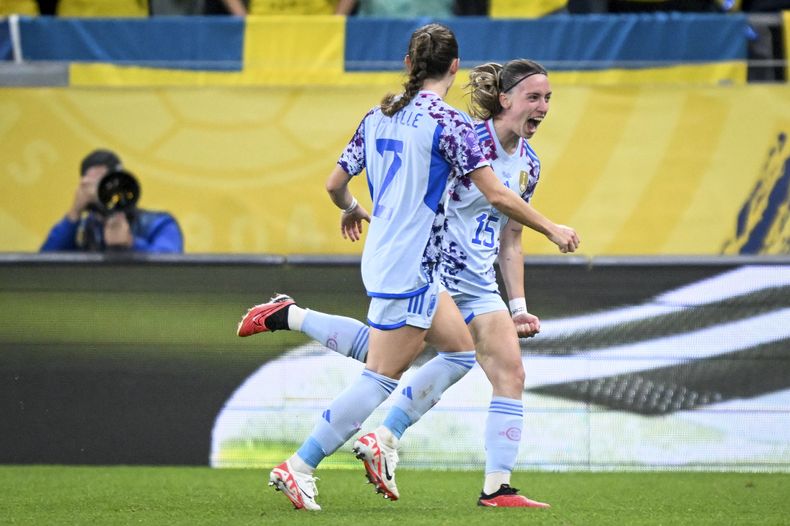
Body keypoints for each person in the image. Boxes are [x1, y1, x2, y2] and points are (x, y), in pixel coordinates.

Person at [238, 23, 578, 511]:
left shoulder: (378, 113)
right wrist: (554, 228)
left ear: (407, 64)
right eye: (534, 96)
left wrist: (352, 207)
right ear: (455, 67)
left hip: (384, 254)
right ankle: (300, 465)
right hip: (419, 262)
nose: (543, 106)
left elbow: (335, 183)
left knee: (456, 351)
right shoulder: (452, 125)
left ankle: (292, 320)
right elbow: (496, 194)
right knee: (381, 373)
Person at [40, 149, 183, 253]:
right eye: (94, 185)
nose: (107, 192)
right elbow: (42, 271)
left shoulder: (156, 223)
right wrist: (74, 214)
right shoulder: (82, 231)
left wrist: (131, 244)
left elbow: (172, 266)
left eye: (110, 183)